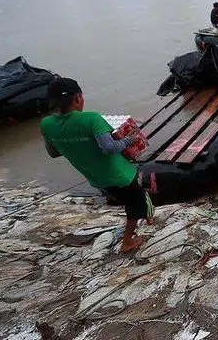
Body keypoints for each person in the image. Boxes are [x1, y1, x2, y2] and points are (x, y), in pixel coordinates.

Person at [40, 78, 154, 253]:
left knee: (129, 198)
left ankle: (147, 217)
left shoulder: (46, 124)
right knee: (135, 202)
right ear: (78, 98)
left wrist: (75, 144)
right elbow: (109, 148)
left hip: (95, 178)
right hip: (120, 174)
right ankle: (127, 241)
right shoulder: (91, 119)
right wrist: (130, 138)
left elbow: (54, 153)